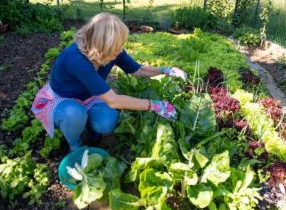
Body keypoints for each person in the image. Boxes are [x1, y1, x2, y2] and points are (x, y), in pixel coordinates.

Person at [31, 13, 186, 150]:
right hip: (63, 99)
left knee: (107, 122)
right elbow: (113, 101)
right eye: (116, 46)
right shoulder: (76, 59)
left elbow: (137, 70)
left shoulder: (113, 51)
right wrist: (154, 105)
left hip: (90, 97)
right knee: (73, 115)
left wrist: (165, 70)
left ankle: (91, 130)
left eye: (120, 45)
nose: (120, 51)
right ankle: (74, 143)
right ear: (100, 46)